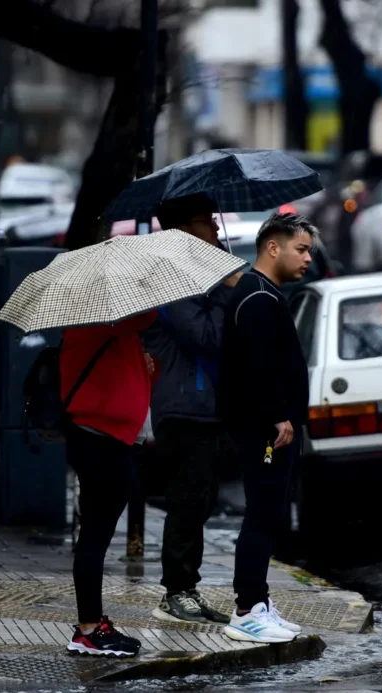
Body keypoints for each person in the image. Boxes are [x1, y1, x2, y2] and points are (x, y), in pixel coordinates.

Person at [217, 212, 315, 643]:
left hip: (269, 427)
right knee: (261, 514)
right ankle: (246, 612)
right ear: (272, 247)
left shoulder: (263, 293)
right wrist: (278, 415)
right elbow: (257, 367)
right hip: (264, 430)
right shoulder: (257, 298)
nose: (308, 258)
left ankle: (258, 601)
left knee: (268, 514)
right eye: (301, 248)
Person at [143, 195, 238, 624]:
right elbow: (205, 336)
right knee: (187, 500)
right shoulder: (173, 275)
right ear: (184, 227)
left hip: (205, 405)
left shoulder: (198, 271)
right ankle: (175, 590)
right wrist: (225, 292)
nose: (216, 231)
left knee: (200, 500)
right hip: (183, 405)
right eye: (207, 223)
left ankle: (189, 586)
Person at [62, 312, 156, 658]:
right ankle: (88, 629)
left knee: (94, 536)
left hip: (104, 438)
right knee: (94, 537)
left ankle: (91, 624)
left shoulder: (110, 327)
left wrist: (144, 367)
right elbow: (149, 316)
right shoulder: (107, 321)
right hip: (102, 440)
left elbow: (124, 380)